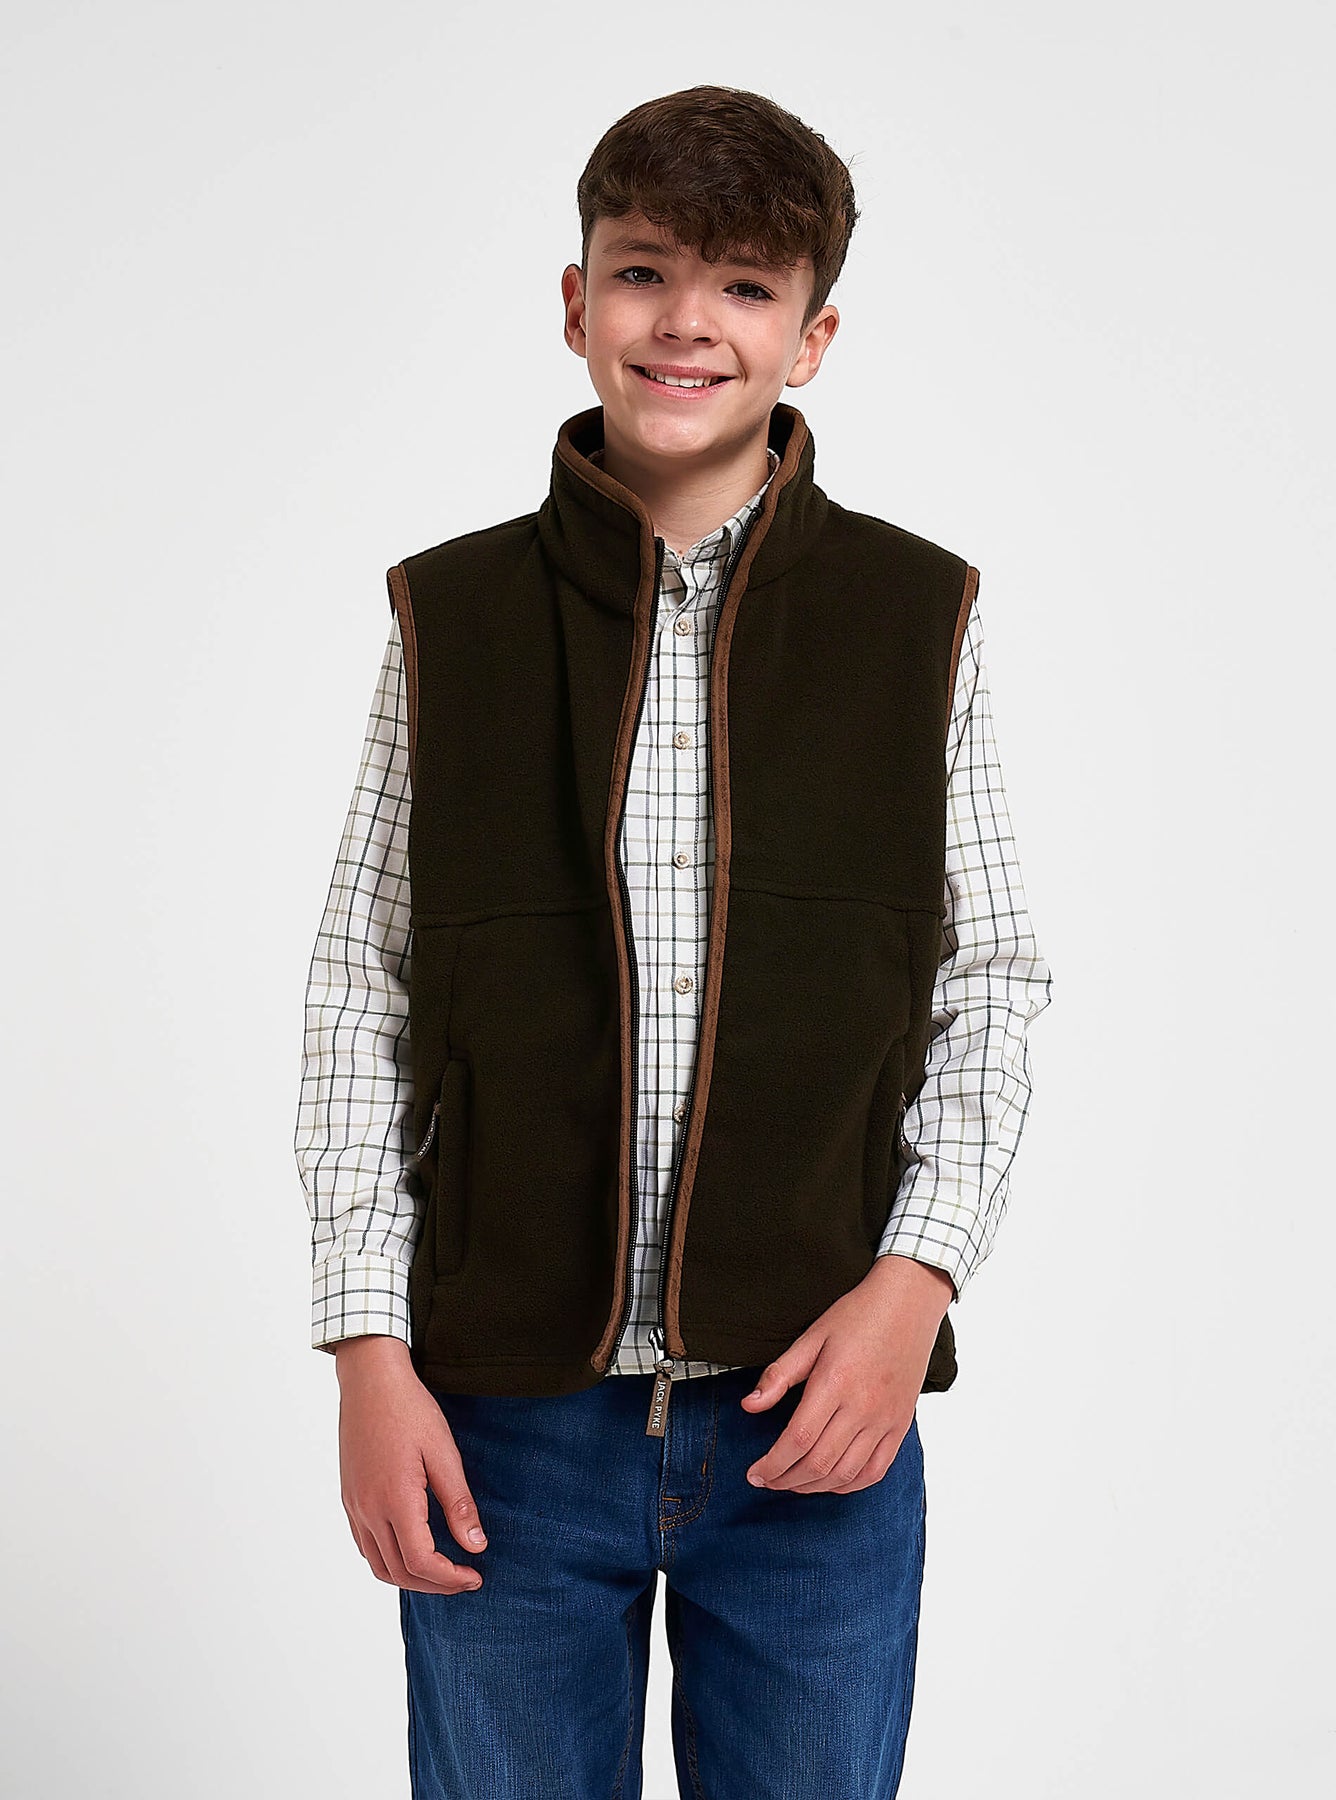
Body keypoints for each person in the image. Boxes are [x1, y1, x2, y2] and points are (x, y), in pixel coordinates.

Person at [294, 82, 1054, 1800]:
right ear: (577, 303)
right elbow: (362, 990)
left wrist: (914, 1283)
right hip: (501, 1420)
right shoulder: (453, 618)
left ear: (813, 337)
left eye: (745, 286)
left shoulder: (915, 616)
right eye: (643, 272)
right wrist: (367, 1348)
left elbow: (991, 983)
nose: (686, 322)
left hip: (816, 1409)